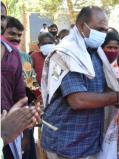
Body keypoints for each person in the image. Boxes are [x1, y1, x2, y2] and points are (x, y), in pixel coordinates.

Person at [40, 6, 119, 159]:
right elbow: (78, 100)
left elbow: (104, 85)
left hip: (88, 139)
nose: (102, 35)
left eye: (105, 30)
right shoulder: (67, 53)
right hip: (67, 141)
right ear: (82, 26)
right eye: (99, 29)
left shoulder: (94, 52)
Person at [1, 2, 40, 159]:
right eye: (13, 34)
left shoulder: (20, 57)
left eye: (2, 17)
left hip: (9, 131)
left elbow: (26, 90)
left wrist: (38, 97)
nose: (16, 38)